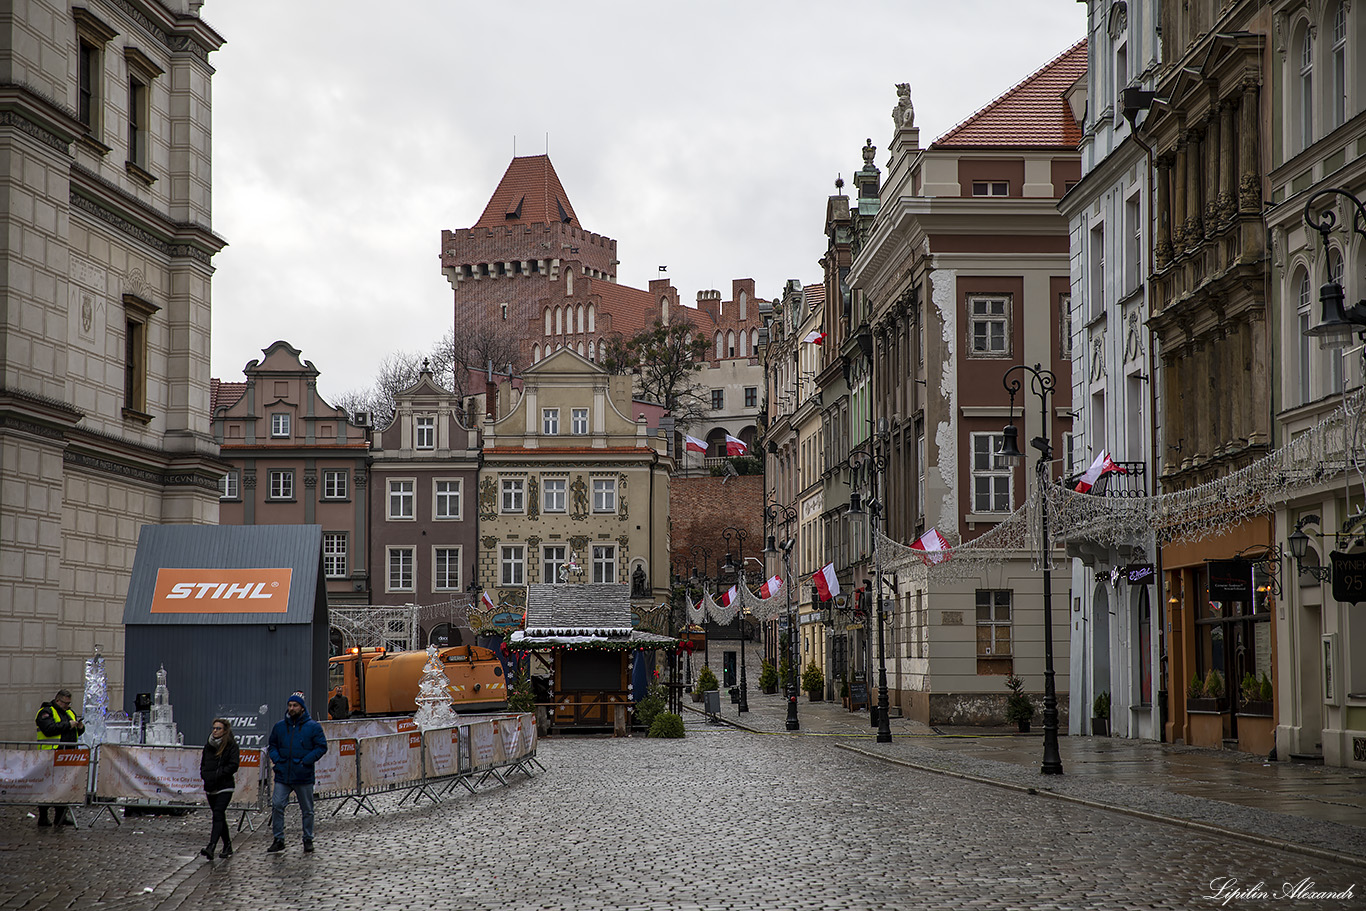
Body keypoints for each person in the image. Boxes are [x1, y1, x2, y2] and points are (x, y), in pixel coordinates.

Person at [266, 692, 327, 854]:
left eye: (295, 705)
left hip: (303, 774)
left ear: (302, 708)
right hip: (283, 773)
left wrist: (305, 761)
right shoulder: (279, 727)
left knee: (307, 809)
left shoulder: (313, 727)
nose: (292, 708)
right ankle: (278, 839)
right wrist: (277, 760)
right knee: (277, 805)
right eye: (290, 705)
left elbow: (321, 747)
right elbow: (272, 745)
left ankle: (308, 839)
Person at [34, 689, 84, 827]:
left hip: (68, 755)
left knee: (64, 787)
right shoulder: (46, 712)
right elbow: (48, 729)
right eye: (65, 703)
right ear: (57, 701)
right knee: (46, 787)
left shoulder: (70, 712)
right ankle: (43, 817)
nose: (67, 706)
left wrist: (80, 727)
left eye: (69, 703)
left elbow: (75, 731)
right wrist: (68, 725)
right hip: (50, 754)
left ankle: (60, 817)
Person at [199, 718, 240, 859]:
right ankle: (227, 845)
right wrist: (205, 775)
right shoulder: (208, 745)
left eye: (218, 728)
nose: (215, 731)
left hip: (225, 786)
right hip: (210, 786)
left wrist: (219, 774)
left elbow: (233, 765)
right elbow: (203, 764)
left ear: (225, 730)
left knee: (218, 813)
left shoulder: (231, 745)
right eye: (214, 728)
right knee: (219, 817)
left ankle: (212, 846)